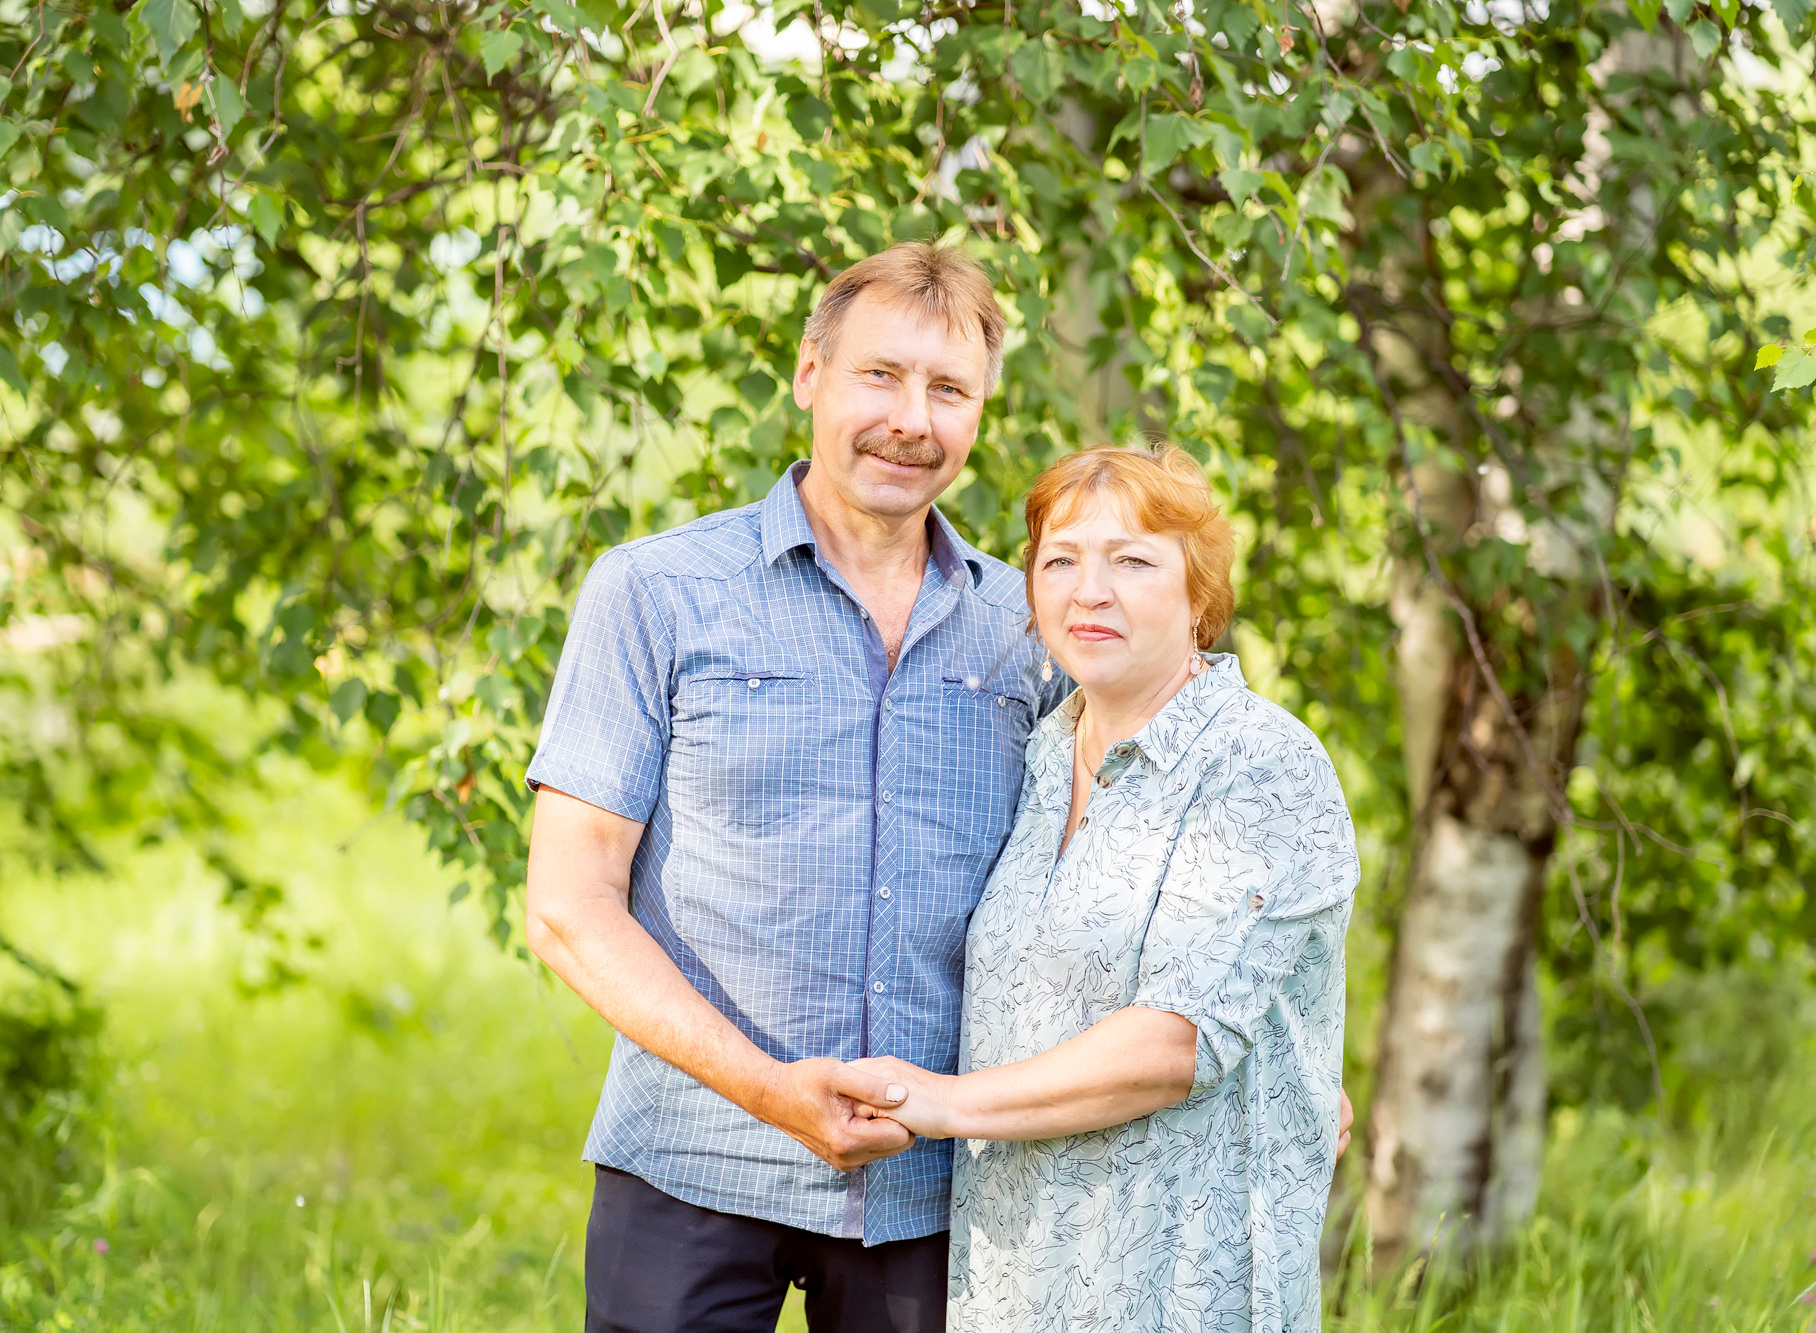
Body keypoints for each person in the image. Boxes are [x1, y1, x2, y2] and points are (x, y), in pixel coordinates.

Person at [522, 243, 1062, 1333]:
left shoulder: (1033, 631)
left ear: (980, 411)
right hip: (692, 1156)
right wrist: (768, 1091)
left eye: (948, 389)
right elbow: (568, 906)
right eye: (881, 375)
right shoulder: (655, 593)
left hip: (934, 1184)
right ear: (810, 373)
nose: (911, 419)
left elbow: (1111, 877)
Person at [852, 446, 1359, 1332]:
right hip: (1014, 1281)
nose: (1090, 590)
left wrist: (940, 1102)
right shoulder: (1045, 750)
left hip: (1179, 1284)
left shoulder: (1260, 764)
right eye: (1061, 560)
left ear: (1199, 594)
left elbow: (1175, 1042)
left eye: (1132, 560)